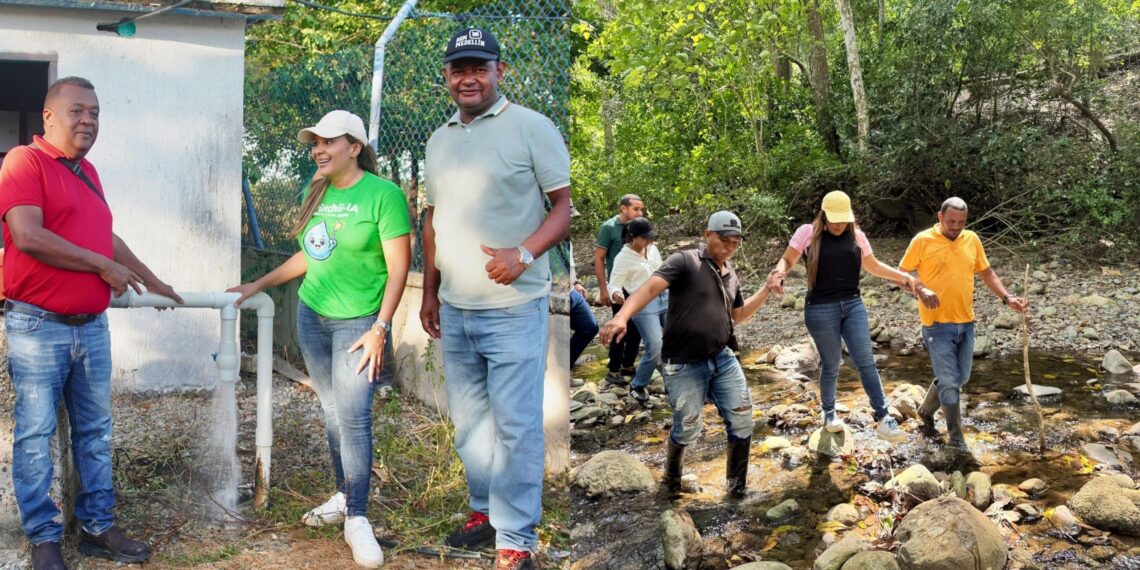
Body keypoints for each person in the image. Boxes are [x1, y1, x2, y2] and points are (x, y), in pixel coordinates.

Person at [0, 77, 183, 570]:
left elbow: (106, 238)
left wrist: (152, 280)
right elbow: (28, 235)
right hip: (38, 327)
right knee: (36, 433)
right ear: (49, 117)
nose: (88, 120)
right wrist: (102, 266)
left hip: (91, 326)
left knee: (95, 431)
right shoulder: (23, 162)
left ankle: (98, 527)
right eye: (77, 110)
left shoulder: (88, 172)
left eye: (95, 113)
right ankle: (43, 538)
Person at [228, 109, 411, 568]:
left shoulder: (383, 195)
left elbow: (399, 269)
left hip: (358, 323)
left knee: (354, 417)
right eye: (315, 142)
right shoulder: (319, 191)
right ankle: (345, 496)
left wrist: (380, 328)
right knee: (331, 409)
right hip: (312, 315)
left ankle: (358, 517)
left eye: (328, 141)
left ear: (355, 147)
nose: (318, 149)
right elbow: (311, 256)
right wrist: (257, 284)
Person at [419, 26, 570, 570]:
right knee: (470, 426)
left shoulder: (532, 127)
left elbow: (563, 207)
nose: (469, 78)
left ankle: (516, 540)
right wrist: (430, 291)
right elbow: (432, 220)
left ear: (499, 71)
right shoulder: (438, 140)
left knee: (515, 427)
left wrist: (524, 254)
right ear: (446, 77)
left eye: (479, 68)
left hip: (513, 309)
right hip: (456, 308)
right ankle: (484, 514)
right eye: (459, 69)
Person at [600, 211, 772, 497]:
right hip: (683, 363)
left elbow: (738, 315)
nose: (729, 247)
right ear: (707, 235)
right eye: (724, 240)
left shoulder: (730, 274)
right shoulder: (685, 261)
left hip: (722, 357)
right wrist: (622, 316)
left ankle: (736, 491)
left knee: (743, 420)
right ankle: (672, 481)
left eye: (735, 242)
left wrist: (766, 289)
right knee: (688, 427)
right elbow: (649, 289)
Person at [768, 191, 913, 443]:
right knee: (832, 363)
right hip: (820, 307)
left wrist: (903, 277)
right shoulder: (807, 233)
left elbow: (873, 265)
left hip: (853, 305)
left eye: (843, 220)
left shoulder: (857, 235)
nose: (838, 225)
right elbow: (787, 260)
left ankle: (883, 417)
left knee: (865, 361)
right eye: (834, 220)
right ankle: (829, 413)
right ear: (824, 215)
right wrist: (778, 273)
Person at [899, 197, 1027, 449]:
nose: (956, 227)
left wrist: (1007, 298)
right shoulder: (923, 240)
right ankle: (957, 440)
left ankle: (925, 410)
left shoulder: (972, 239)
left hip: (966, 322)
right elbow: (901, 274)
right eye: (951, 221)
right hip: (936, 324)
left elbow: (986, 272)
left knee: (960, 378)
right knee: (949, 382)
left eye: (961, 222)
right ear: (940, 217)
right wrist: (920, 289)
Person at [605, 217, 665, 402]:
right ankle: (638, 384)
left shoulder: (653, 249)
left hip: (665, 297)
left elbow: (664, 271)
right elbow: (614, 283)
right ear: (633, 237)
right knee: (654, 345)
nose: (649, 240)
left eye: (651, 237)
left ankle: (679, 379)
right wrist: (616, 293)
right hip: (643, 304)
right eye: (645, 237)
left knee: (679, 339)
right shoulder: (623, 258)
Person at [594, 194, 646, 384]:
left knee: (637, 327)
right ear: (623, 208)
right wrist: (604, 289)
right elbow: (599, 258)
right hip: (618, 286)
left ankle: (628, 365)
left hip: (638, 286)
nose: (640, 213)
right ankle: (613, 370)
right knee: (620, 327)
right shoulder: (609, 227)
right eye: (636, 209)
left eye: (641, 209)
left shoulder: (639, 226)